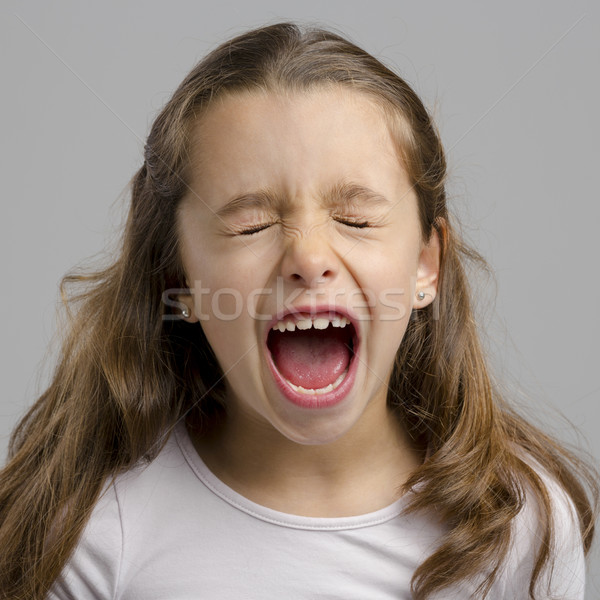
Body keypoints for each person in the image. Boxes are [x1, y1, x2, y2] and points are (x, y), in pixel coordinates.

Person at [0, 22, 597, 600]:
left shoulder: (519, 526)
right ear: (178, 278)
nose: (308, 257)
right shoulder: (92, 537)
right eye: (250, 224)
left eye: (356, 220)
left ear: (425, 266)